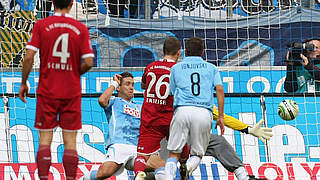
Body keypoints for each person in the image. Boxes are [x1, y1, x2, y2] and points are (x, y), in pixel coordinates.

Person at [18, 0, 94, 179]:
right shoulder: (80, 28)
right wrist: (75, 73)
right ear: (71, 4)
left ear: (52, 3)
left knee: (45, 141)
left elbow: (29, 56)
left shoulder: (41, 25)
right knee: (70, 142)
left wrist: (24, 82)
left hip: (47, 90)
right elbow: (89, 62)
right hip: (71, 92)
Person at [164, 37, 225, 180]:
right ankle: (188, 168)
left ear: (185, 51)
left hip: (182, 111)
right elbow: (220, 89)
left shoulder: (175, 68)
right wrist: (221, 116)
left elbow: (172, 91)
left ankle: (168, 177)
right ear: (203, 52)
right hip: (203, 112)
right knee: (197, 154)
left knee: (174, 154)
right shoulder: (211, 68)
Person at [82, 72, 163, 180]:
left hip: (139, 149)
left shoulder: (139, 107)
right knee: (103, 174)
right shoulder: (114, 102)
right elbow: (102, 100)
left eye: (133, 85)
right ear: (119, 88)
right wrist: (114, 83)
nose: (131, 88)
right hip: (120, 145)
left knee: (162, 166)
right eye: (127, 84)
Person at [133, 36, 190, 180]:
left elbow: (143, 85)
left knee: (142, 156)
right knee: (181, 145)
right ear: (179, 53)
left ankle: (139, 174)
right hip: (170, 118)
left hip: (150, 118)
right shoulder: (178, 70)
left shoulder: (151, 66)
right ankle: (183, 165)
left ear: (163, 50)